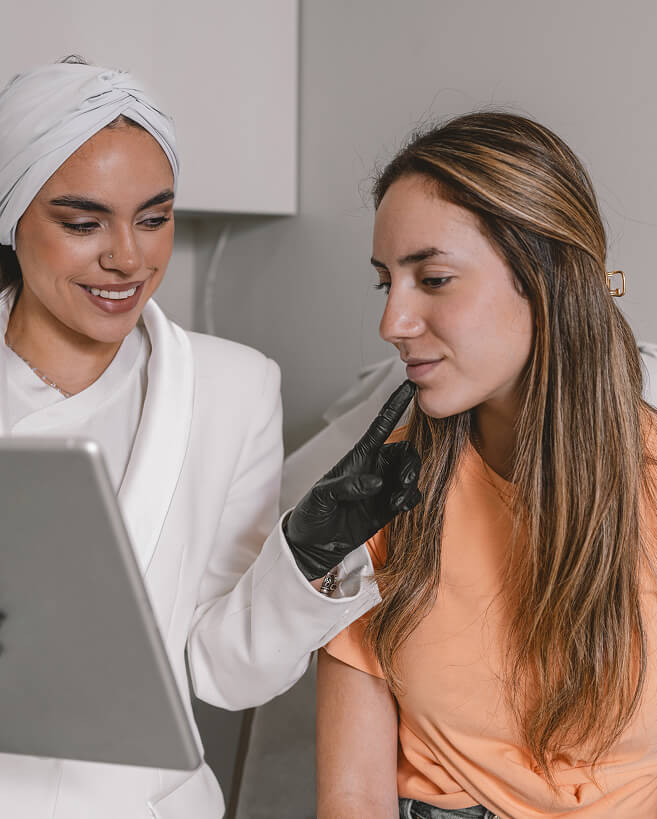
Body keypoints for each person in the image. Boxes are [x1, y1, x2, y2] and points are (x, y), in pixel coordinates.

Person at [0, 58, 421, 819]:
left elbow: (223, 672)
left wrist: (304, 557)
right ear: (11, 217)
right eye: (82, 221)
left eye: (154, 217)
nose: (128, 256)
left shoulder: (232, 390)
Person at [317, 112, 657, 818]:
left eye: (433, 278)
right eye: (386, 283)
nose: (392, 322)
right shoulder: (380, 491)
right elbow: (352, 795)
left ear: (546, 279)